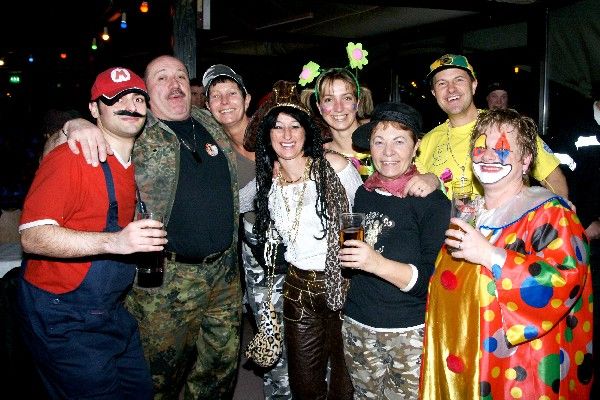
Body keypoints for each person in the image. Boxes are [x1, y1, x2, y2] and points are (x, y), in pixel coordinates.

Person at [48, 55, 242, 399]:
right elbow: (57, 150)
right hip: (166, 281)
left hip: (225, 275)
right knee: (156, 379)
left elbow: (262, 129)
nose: (174, 84)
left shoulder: (210, 122)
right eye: (162, 77)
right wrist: (73, 126)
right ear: (146, 93)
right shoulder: (133, 127)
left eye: (180, 76)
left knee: (218, 372)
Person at [420, 108, 593, 399]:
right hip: (464, 368)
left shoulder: (551, 213)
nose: (488, 156)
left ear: (525, 161)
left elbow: (564, 282)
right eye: (481, 147)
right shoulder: (469, 211)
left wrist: (491, 256)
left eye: (501, 149)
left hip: (517, 372)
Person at [17, 67, 165, 399]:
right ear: (94, 110)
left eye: (137, 98)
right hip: (63, 314)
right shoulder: (71, 157)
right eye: (115, 99)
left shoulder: (138, 161)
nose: (129, 105)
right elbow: (33, 236)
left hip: (110, 310)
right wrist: (116, 242)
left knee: (139, 391)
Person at [244, 80, 362, 399]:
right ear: (267, 135)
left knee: (344, 383)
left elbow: (359, 218)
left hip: (343, 286)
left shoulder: (334, 166)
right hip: (297, 290)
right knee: (304, 384)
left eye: (295, 126)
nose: (287, 135)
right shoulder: (269, 181)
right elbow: (232, 203)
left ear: (307, 132)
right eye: (278, 127)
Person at [338, 102, 450, 399]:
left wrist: (375, 263)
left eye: (399, 141)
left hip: (407, 333)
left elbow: (431, 281)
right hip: (357, 324)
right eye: (379, 142)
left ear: (416, 147)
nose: (388, 152)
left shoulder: (432, 202)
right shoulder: (364, 192)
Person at [203, 63, 292, 399]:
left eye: (231, 93)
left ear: (247, 99)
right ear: (207, 105)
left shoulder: (276, 132)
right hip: (258, 256)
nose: (225, 101)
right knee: (271, 339)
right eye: (216, 96)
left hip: (301, 249)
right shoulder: (212, 149)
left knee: (308, 337)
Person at [412, 53, 569, 199]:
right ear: (434, 93)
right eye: (442, 83)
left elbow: (553, 177)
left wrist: (557, 215)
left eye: (459, 80)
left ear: (473, 85)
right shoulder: (425, 143)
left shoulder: (508, 127)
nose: (451, 89)